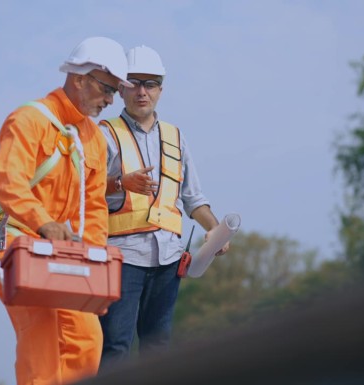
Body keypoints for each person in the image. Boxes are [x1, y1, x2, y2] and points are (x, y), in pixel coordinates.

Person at [0, 36, 132, 385]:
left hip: (58, 252)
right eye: (106, 89)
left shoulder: (94, 139)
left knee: (87, 339)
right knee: (43, 336)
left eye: (114, 93)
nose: (109, 101)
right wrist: (43, 223)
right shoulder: (28, 120)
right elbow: (8, 183)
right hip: (12, 242)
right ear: (79, 78)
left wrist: (94, 270)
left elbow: (93, 211)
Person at [97, 45, 230, 369]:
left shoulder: (175, 137)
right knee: (115, 348)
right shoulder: (104, 135)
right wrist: (118, 183)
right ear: (122, 87)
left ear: (161, 89)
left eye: (151, 83)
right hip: (121, 257)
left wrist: (215, 230)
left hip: (168, 260)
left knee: (158, 351)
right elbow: (81, 194)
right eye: (134, 82)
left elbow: (192, 198)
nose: (142, 91)